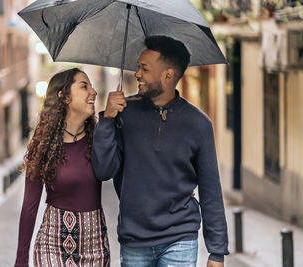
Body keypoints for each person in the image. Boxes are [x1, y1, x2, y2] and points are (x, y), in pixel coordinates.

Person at [92, 36, 229, 267]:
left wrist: (217, 252)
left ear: (167, 75)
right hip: (134, 240)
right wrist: (106, 120)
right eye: (138, 67)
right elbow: (103, 170)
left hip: (180, 239)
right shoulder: (124, 113)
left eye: (144, 69)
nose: (137, 74)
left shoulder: (198, 124)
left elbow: (211, 190)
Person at [14, 68, 110, 267]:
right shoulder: (44, 145)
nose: (93, 92)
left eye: (91, 86)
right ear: (64, 96)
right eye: (84, 86)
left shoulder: (100, 138)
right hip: (53, 246)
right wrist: (21, 260)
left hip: (96, 248)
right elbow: (30, 207)